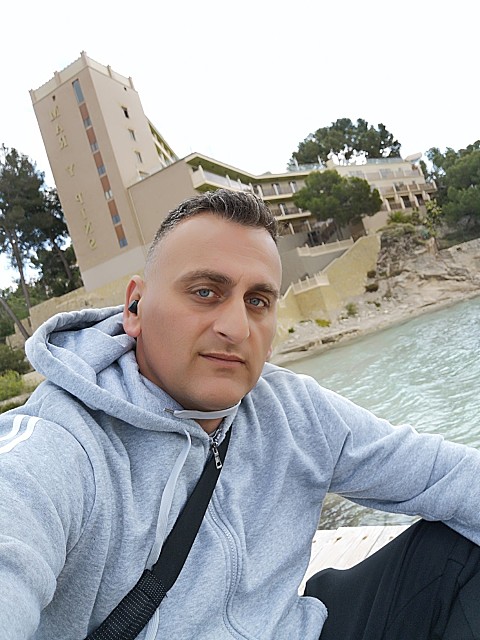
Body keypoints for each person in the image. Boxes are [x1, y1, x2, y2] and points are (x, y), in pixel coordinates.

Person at [0, 188, 479, 640]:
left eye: (257, 301)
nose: (236, 327)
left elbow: (446, 476)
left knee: (459, 553)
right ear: (135, 307)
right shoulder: (61, 446)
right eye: (205, 292)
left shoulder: (291, 409)